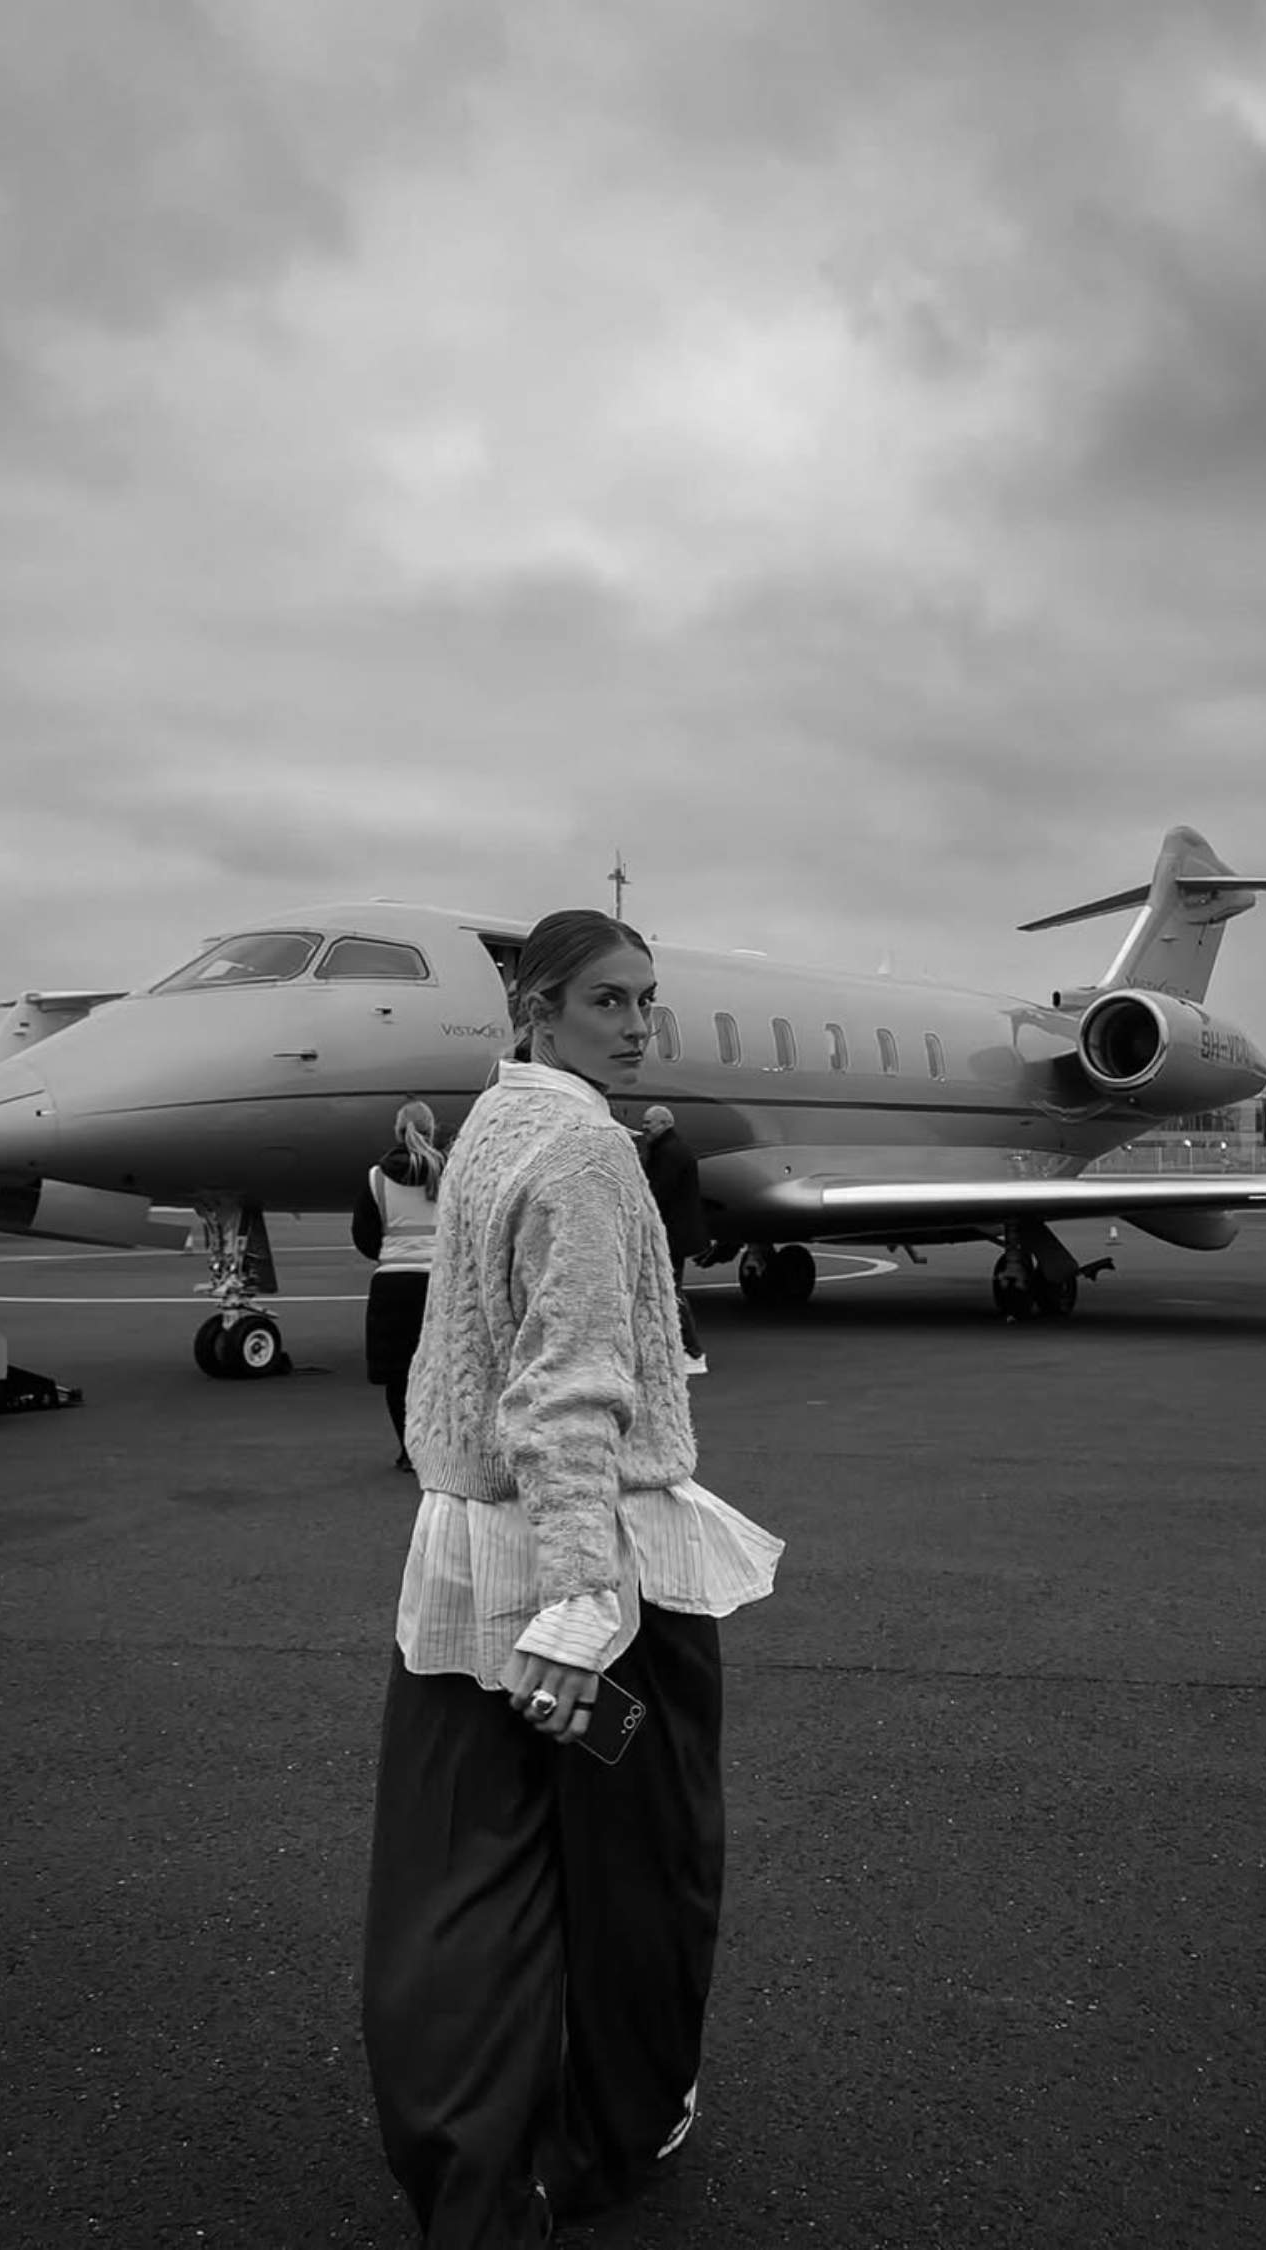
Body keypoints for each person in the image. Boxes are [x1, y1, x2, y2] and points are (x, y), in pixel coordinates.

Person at [361, 909, 782, 2249]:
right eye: (608, 1000)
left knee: (461, 1872)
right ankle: (616, 2125)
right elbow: (573, 1383)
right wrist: (588, 1591)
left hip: (462, 1561)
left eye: (646, 999)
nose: (636, 1023)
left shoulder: (489, 1126)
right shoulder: (590, 1147)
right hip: (601, 1576)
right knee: (645, 1861)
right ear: (537, 1006)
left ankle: (467, 2161)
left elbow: (470, 1357)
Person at [352, 1100, 448, 1472]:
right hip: (438, 1279)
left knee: (398, 1374)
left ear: (397, 1131)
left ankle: (408, 1450)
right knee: (440, 1369)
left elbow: (364, 1234)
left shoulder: (376, 1177)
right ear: (431, 1130)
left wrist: (390, 1253)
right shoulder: (449, 1169)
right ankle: (440, 1446)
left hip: (393, 1281)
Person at [638, 1104, 710, 1375]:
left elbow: (657, 1192)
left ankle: (693, 1352)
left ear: (665, 1124)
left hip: (673, 1236)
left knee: (672, 1292)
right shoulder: (668, 1149)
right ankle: (678, 1350)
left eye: (649, 1123)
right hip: (675, 1234)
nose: (645, 1127)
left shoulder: (670, 1153)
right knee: (668, 1290)